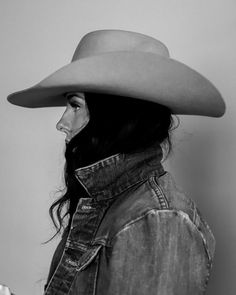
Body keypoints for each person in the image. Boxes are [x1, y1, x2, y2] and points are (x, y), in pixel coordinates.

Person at [6, 30, 225, 295]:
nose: (61, 123)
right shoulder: (109, 201)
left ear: (117, 116)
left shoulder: (156, 221)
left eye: (75, 105)